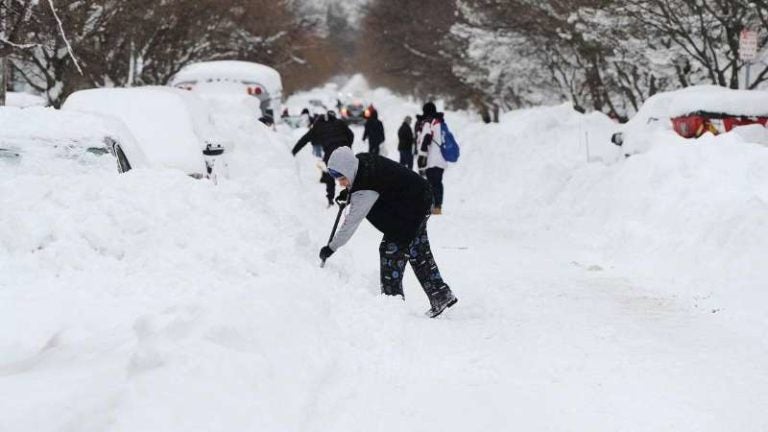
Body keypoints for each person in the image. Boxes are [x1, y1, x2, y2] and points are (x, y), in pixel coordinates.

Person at [320, 147, 458, 318]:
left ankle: (393, 307)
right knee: (417, 250)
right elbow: (375, 181)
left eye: (341, 178)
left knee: (390, 252)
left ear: (349, 170)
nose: (340, 183)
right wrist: (348, 193)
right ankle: (440, 294)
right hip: (421, 195)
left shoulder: (365, 190)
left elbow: (350, 224)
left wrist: (331, 248)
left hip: (413, 207)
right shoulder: (361, 161)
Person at [292, 111, 354, 207]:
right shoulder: (340, 122)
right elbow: (351, 134)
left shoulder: (318, 126)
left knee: (330, 176)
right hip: (345, 150)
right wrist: (348, 146)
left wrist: (293, 152)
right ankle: (355, 196)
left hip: (331, 153)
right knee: (351, 173)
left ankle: (330, 199)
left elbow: (304, 139)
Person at [416, 102, 447, 215]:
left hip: (432, 159)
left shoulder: (429, 122)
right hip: (441, 158)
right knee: (437, 182)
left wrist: (422, 155)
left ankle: (434, 205)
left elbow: (427, 137)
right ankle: (437, 206)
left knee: (432, 183)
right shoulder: (440, 122)